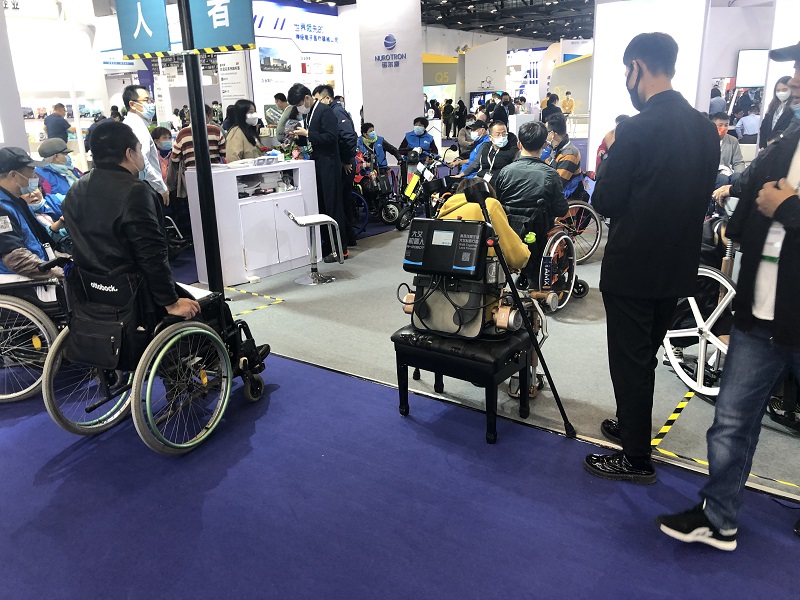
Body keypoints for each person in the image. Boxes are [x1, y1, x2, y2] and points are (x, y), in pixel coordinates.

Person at [657, 40, 800, 550]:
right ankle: (719, 517)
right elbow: (754, 191)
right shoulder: (789, 139)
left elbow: (776, 203)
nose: (793, 80)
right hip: (759, 316)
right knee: (731, 423)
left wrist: (789, 209)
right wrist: (732, 227)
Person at [584, 32, 720, 484]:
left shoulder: (636, 130)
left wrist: (610, 149)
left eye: (627, 72)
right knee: (644, 356)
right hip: (676, 266)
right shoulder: (704, 129)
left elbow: (605, 199)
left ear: (637, 67)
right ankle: (632, 427)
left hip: (632, 267)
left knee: (630, 361)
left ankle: (635, 458)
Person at [63, 120, 199, 320]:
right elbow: (151, 254)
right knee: (208, 310)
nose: (142, 156)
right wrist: (171, 302)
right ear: (129, 153)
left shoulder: (76, 189)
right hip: (134, 293)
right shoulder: (136, 192)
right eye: (139, 150)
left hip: (91, 291)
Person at [494, 120, 569, 283]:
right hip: (538, 233)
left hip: (508, 231)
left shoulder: (505, 172)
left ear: (519, 144)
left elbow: (496, 203)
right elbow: (561, 210)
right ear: (544, 145)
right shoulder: (551, 174)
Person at [286, 83, 348, 262]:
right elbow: (313, 140)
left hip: (329, 162)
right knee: (321, 205)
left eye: (299, 104)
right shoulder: (310, 114)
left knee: (333, 206)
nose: (299, 108)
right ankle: (327, 246)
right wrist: (299, 137)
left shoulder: (324, 111)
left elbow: (331, 137)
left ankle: (340, 249)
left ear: (307, 98)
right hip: (318, 162)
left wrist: (308, 133)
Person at [0, 147, 65, 280]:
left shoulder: (17, 202)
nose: (35, 177)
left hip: (37, 271)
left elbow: (39, 240)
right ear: (13, 175)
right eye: (31, 171)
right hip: (18, 281)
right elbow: (15, 258)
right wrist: (59, 273)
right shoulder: (2, 209)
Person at [314, 85, 358, 247]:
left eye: (318, 100)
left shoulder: (336, 112)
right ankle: (349, 237)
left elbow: (348, 137)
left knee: (343, 201)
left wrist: (346, 160)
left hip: (344, 162)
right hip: (342, 160)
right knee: (343, 201)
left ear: (327, 98)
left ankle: (346, 238)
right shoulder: (332, 111)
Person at [122, 85, 169, 207]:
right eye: (146, 100)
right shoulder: (135, 127)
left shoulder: (136, 124)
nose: (151, 104)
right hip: (146, 185)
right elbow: (143, 162)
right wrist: (160, 187)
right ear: (132, 104)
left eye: (151, 100)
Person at [453, 121, 518, 181]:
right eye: (498, 134)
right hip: (482, 179)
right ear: (490, 137)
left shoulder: (513, 151)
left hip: (499, 182)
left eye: (504, 134)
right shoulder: (486, 147)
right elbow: (476, 163)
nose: (502, 137)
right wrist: (461, 175)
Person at [545, 113, 582, 190]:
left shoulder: (569, 155)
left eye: (546, 132)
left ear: (552, 134)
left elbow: (557, 184)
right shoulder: (557, 148)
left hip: (565, 195)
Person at [711, 112, 746, 189]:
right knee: (722, 179)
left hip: (727, 172)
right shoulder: (706, 139)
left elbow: (738, 162)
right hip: (713, 174)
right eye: (720, 125)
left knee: (738, 178)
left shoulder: (733, 140)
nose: (723, 128)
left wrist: (739, 174)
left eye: (726, 125)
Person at [759, 76, 794, 149]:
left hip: (784, 147)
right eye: (778, 90)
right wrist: (762, 146)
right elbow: (763, 128)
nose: (781, 93)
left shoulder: (794, 108)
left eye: (784, 89)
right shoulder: (772, 107)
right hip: (767, 148)